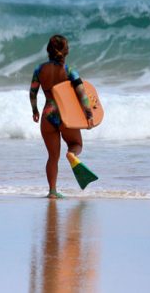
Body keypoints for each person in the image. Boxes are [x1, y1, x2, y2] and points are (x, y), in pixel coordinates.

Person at [30, 35, 94, 199]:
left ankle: (52, 191)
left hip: (47, 114)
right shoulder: (69, 71)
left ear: (48, 51)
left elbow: (33, 92)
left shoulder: (39, 70)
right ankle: (72, 155)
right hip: (65, 115)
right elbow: (82, 93)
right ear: (66, 51)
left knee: (52, 157)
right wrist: (88, 113)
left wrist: (35, 110)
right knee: (76, 143)